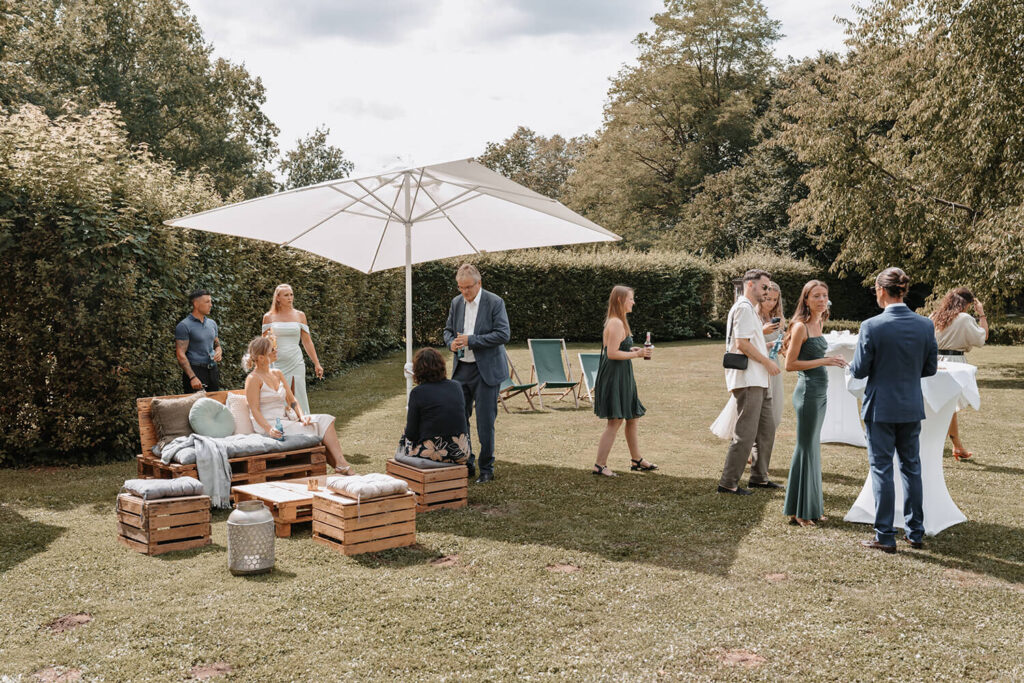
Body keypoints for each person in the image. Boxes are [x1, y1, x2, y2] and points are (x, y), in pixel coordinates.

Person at [849, 267, 938, 553]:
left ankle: (885, 535)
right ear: (904, 291)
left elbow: (859, 371)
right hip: (911, 405)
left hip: (880, 409)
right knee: (912, 468)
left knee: (882, 470)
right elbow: (931, 368)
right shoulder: (925, 325)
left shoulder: (871, 326)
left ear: (880, 290)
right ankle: (915, 532)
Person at [781, 280, 847, 526]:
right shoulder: (800, 327)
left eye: (824, 295)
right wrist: (825, 361)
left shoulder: (819, 322)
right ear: (806, 299)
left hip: (821, 391)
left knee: (813, 448)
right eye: (816, 296)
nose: (821, 300)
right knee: (805, 447)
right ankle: (799, 511)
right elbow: (790, 365)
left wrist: (829, 360)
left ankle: (812, 506)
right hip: (808, 392)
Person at [242, 335, 352, 475]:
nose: (276, 351)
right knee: (318, 429)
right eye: (272, 349)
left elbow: (292, 400)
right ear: (262, 357)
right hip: (268, 425)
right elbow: (255, 410)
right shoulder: (252, 379)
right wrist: (269, 429)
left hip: (286, 421)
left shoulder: (277, 373)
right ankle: (343, 467)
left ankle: (341, 465)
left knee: (325, 420)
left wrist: (302, 416)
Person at [443, 264, 510, 484]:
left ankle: (486, 468)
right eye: (460, 288)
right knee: (459, 419)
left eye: (468, 288)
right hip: (461, 368)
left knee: (485, 422)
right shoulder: (456, 302)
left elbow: (503, 334)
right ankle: (467, 462)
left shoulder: (494, 302)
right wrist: (450, 343)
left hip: (486, 371)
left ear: (479, 284)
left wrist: (472, 340)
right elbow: (447, 331)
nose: (464, 292)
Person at [718, 269, 783, 495]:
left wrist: (770, 347)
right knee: (746, 432)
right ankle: (728, 483)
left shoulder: (749, 310)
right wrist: (767, 362)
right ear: (750, 285)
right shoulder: (744, 308)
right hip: (748, 378)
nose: (767, 291)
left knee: (767, 429)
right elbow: (742, 344)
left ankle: (759, 477)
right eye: (764, 287)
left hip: (758, 378)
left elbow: (750, 342)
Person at [591, 286, 657, 477]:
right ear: (620, 300)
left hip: (623, 374)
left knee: (632, 416)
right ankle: (599, 465)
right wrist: (637, 355)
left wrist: (633, 349)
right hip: (614, 375)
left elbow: (619, 347)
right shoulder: (615, 323)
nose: (633, 302)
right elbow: (612, 353)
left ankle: (636, 459)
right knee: (615, 420)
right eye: (631, 299)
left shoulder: (621, 322)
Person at [930, 287, 988, 461]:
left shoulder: (934, 316)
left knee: (943, 405)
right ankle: (950, 445)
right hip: (954, 364)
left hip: (933, 363)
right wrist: (982, 314)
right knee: (947, 406)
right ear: (967, 304)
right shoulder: (964, 319)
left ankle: (956, 446)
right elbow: (983, 337)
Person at [398, 348, 470, 465]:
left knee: (404, 436)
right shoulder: (456, 386)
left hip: (433, 453)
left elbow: (411, 434)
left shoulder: (418, 392)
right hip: (461, 451)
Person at [261, 284, 324, 415]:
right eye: (286, 295)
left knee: (298, 393)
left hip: (296, 361)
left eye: (291, 294)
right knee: (279, 395)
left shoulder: (300, 315)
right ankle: (281, 423)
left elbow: (307, 341)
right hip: (277, 363)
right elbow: (264, 343)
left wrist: (316, 363)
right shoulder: (268, 317)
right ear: (277, 298)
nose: (290, 298)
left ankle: (304, 422)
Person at [174, 290, 222, 394]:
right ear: (196, 304)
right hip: (195, 371)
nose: (211, 305)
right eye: (207, 302)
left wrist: (219, 351)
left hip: (213, 370)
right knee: (196, 407)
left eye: (211, 301)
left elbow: (216, 343)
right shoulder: (184, 326)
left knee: (213, 406)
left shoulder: (212, 324)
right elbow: (180, 354)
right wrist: (192, 377)